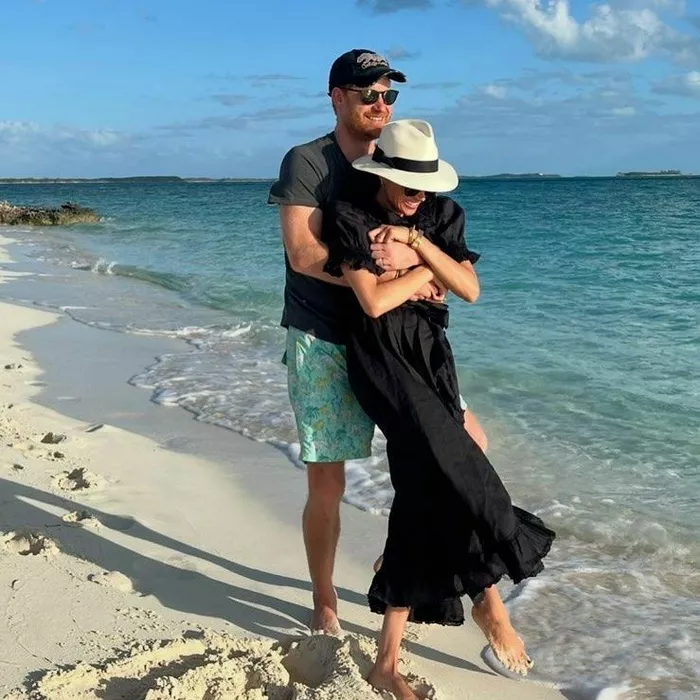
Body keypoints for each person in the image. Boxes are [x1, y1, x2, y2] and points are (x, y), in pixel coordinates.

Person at [320, 119, 555, 700]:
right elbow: (374, 302)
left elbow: (469, 289)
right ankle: (489, 600)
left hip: (432, 356)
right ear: (383, 176)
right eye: (408, 186)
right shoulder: (350, 215)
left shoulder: (442, 215)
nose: (418, 196)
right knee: (458, 470)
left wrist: (415, 250)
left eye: (425, 186)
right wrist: (429, 272)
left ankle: (387, 662)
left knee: (422, 495)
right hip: (381, 361)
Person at [268, 50, 487, 637]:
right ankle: (324, 602)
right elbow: (304, 255)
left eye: (389, 95)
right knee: (327, 481)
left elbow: (449, 258)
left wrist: (416, 266)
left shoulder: (402, 164)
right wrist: (391, 278)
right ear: (336, 97)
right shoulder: (308, 161)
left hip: (397, 343)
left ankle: (412, 566)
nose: (381, 105)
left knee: (464, 446)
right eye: (369, 95)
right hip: (323, 336)